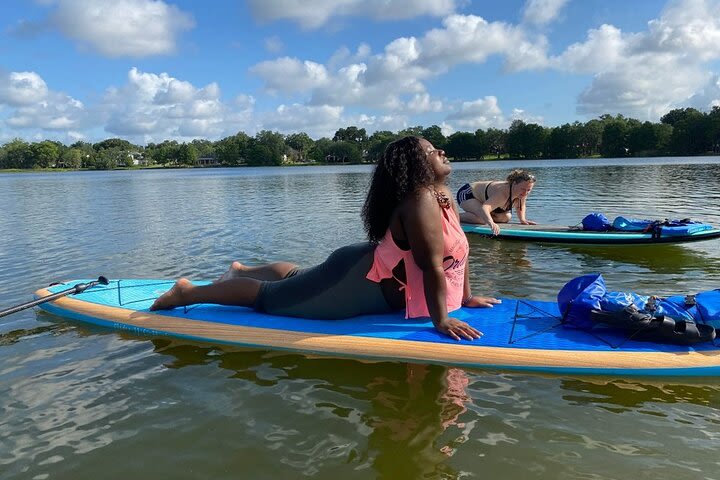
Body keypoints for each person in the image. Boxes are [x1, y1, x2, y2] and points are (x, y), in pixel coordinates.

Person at [151, 136, 500, 340]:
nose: (440, 151)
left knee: (298, 278)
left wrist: (465, 298)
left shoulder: (440, 194)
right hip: (355, 282)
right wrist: (441, 321)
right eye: (430, 150)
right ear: (416, 166)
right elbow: (432, 266)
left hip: (365, 273)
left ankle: (241, 269)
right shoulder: (419, 199)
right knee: (271, 299)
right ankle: (188, 292)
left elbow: (460, 253)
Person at [456, 169, 537, 235]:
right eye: (523, 189)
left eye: (528, 190)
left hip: (484, 199)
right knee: (482, 220)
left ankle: (482, 217)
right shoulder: (502, 193)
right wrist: (491, 223)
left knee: (506, 217)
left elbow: (520, 205)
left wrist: (523, 220)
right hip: (467, 194)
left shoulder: (523, 192)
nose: (525, 193)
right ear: (514, 184)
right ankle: (454, 216)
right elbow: (485, 207)